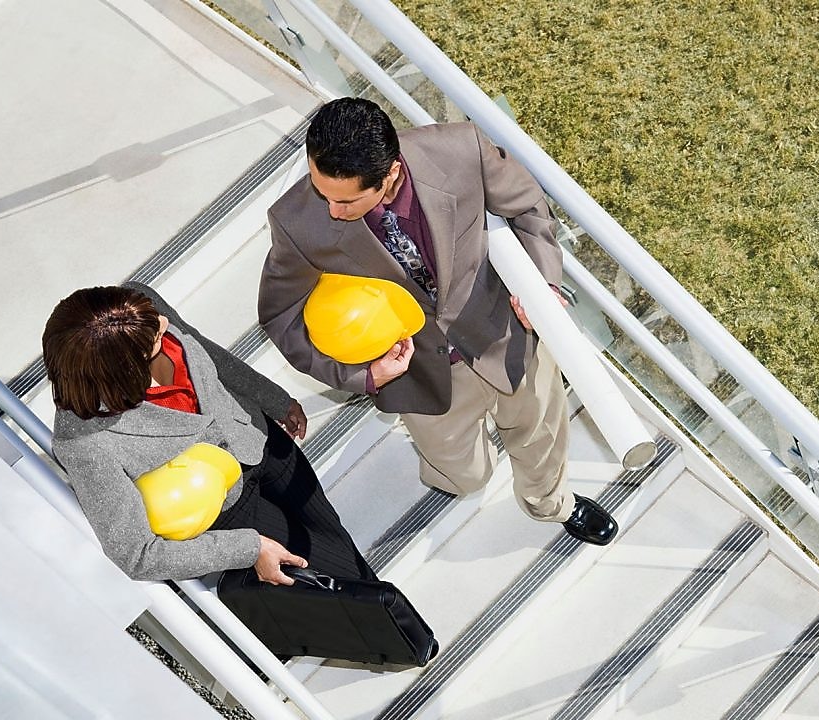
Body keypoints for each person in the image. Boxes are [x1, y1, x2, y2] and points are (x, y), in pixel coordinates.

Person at [258, 97, 617, 545]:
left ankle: (552, 504)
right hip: (418, 376)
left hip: (505, 333)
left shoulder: (462, 149)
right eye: (322, 191)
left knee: (540, 434)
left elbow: (527, 208)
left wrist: (543, 284)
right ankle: (457, 476)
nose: (331, 209)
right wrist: (364, 375)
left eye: (346, 201)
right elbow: (280, 314)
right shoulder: (296, 222)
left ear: (389, 174)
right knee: (465, 476)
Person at [45, 282, 377, 586]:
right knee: (335, 573)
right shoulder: (84, 441)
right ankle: (408, 637)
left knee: (332, 533)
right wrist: (249, 548)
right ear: (123, 368)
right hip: (231, 508)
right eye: (155, 339)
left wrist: (273, 399)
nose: (163, 323)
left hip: (261, 440)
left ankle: (401, 620)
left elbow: (207, 351)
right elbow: (137, 556)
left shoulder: (139, 307)